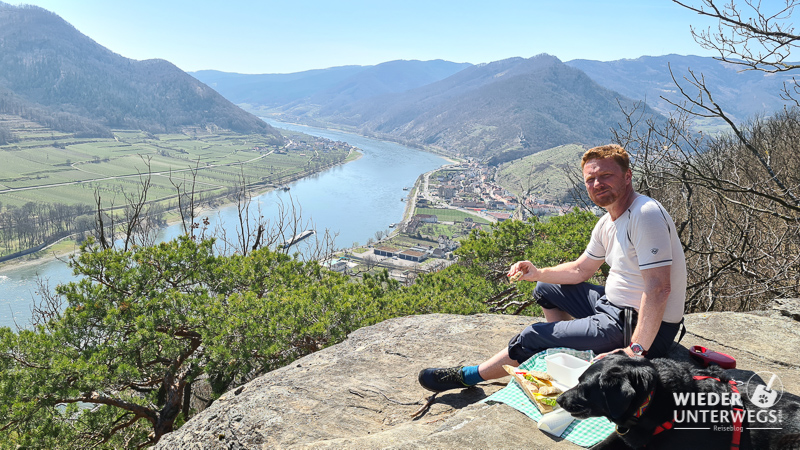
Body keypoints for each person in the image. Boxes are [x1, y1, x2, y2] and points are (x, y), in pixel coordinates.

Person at [418, 144, 687, 393]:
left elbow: (659, 287)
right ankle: (561, 352)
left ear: (627, 176)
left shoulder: (645, 213)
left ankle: (469, 376)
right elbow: (581, 270)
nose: (597, 184)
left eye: (606, 175)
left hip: (635, 325)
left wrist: (634, 351)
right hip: (613, 308)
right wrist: (537, 273)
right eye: (590, 180)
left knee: (532, 335)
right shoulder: (608, 221)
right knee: (546, 288)